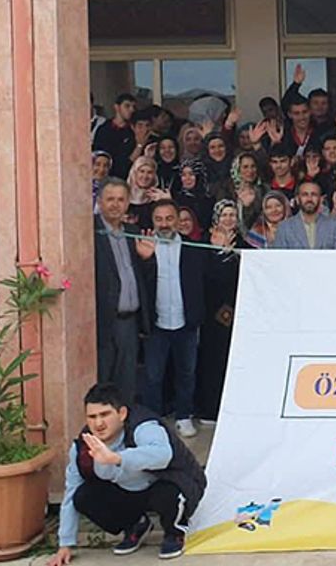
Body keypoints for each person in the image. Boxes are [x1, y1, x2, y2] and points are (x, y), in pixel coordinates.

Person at [47, 383, 207, 564]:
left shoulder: (144, 425)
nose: (98, 423)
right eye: (92, 417)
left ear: (122, 413)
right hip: (129, 490)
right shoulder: (84, 446)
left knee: (166, 493)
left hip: (174, 482)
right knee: (82, 496)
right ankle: (136, 525)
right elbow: (70, 493)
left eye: (105, 414)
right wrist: (65, 544)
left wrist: (117, 458)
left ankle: (175, 531)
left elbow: (163, 455)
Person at [134, 200, 213, 439]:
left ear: (178, 220)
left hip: (185, 322)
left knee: (186, 373)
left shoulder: (193, 247)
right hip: (156, 323)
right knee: (153, 376)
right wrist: (145, 260)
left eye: (169, 218)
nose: (164, 224)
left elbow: (209, 278)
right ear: (152, 221)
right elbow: (141, 282)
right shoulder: (144, 247)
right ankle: (152, 421)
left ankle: (183, 416)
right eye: (159, 219)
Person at [93, 179, 151, 403]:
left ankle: (124, 422)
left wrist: (148, 260)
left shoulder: (133, 232)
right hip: (103, 321)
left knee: (127, 382)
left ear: (128, 203)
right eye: (110, 199)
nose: (115, 205)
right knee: (102, 383)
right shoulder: (90, 231)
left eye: (121, 200)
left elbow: (145, 278)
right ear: (100, 201)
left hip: (130, 322)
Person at [196, 200, 243, 422]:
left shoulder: (244, 242)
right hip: (211, 313)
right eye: (224, 215)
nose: (229, 219)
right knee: (212, 359)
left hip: (239, 311)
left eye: (233, 215)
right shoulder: (205, 243)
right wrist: (219, 252)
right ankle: (210, 409)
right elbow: (206, 275)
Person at [272, 180, 336, 249]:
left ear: (321, 199)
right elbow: (279, 257)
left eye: (314, 194)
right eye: (305, 195)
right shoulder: (284, 228)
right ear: (297, 199)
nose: (309, 199)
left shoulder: (335, 226)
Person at [92, 94, 138, 178]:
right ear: (117, 107)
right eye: (127, 106)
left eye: (133, 107)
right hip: (105, 175)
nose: (131, 110)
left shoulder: (133, 131)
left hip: (126, 175)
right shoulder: (104, 129)